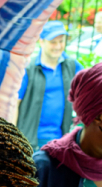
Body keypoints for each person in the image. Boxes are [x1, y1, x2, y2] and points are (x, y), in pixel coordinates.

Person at [18, 21, 84, 149]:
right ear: (41, 42)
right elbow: (15, 103)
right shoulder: (29, 68)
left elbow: (89, 91)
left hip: (62, 139)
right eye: (53, 42)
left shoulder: (72, 65)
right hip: (31, 139)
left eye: (61, 41)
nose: (58, 46)